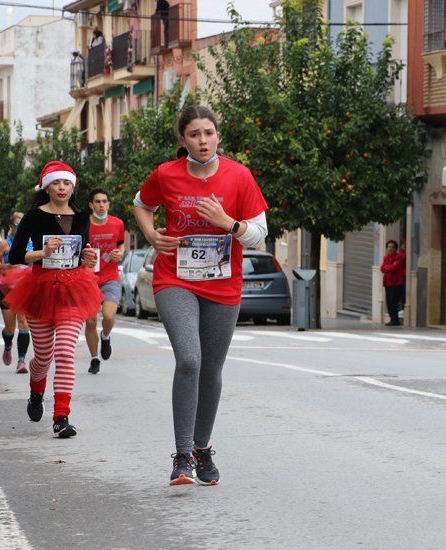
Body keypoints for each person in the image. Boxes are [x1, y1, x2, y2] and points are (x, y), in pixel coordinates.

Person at [133, 105, 268, 485]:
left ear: (218, 136)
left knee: (211, 368)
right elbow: (142, 204)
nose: (202, 140)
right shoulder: (166, 173)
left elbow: (259, 233)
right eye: (194, 134)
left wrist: (230, 224)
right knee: (189, 359)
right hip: (175, 278)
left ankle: (201, 447)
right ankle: (181, 456)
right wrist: (150, 233)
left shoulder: (239, 177)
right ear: (183, 139)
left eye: (208, 132)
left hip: (224, 285)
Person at [5, 161, 101, 438]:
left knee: (65, 353)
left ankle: (61, 416)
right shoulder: (34, 216)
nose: (62, 188)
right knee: (44, 357)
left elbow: (84, 253)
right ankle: (36, 393)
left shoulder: (83, 217)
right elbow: (14, 256)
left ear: (73, 186)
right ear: (46, 187)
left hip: (74, 288)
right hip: (40, 288)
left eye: (67, 183)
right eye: (57, 183)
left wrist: (88, 257)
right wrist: (42, 254)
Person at [85, 188, 126, 374]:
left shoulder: (118, 224)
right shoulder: (84, 225)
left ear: (108, 204)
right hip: (88, 279)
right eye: (98, 202)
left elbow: (120, 243)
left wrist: (121, 253)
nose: (102, 205)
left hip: (110, 278)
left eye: (104, 201)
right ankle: (94, 358)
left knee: (109, 316)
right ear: (91, 205)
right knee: (91, 321)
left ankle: (106, 336)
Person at [0, 212, 32, 374]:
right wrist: (7, 267)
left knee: (24, 323)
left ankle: (21, 361)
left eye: (23, 225)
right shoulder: (4, 245)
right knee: (10, 327)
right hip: (6, 287)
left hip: (25, 286)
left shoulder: (31, 242)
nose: (19, 229)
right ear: (11, 227)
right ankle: (7, 344)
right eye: (16, 225)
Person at [381, 240, 406, 326]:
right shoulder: (386, 257)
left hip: (396, 283)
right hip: (387, 283)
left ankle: (395, 320)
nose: (390, 249)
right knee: (388, 302)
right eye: (388, 247)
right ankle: (392, 319)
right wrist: (388, 267)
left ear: (396, 248)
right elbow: (382, 268)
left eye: (392, 247)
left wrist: (387, 267)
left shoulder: (399, 257)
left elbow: (394, 267)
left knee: (393, 301)